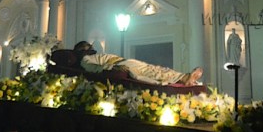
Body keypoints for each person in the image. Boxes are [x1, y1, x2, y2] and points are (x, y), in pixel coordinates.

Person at [73, 41, 203, 86]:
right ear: (82, 49)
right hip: (122, 65)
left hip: (125, 62)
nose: (91, 47)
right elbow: (94, 69)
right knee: (153, 72)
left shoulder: (93, 56)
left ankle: (184, 77)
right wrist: (114, 67)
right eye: (88, 46)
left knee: (155, 69)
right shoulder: (85, 59)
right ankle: (185, 78)